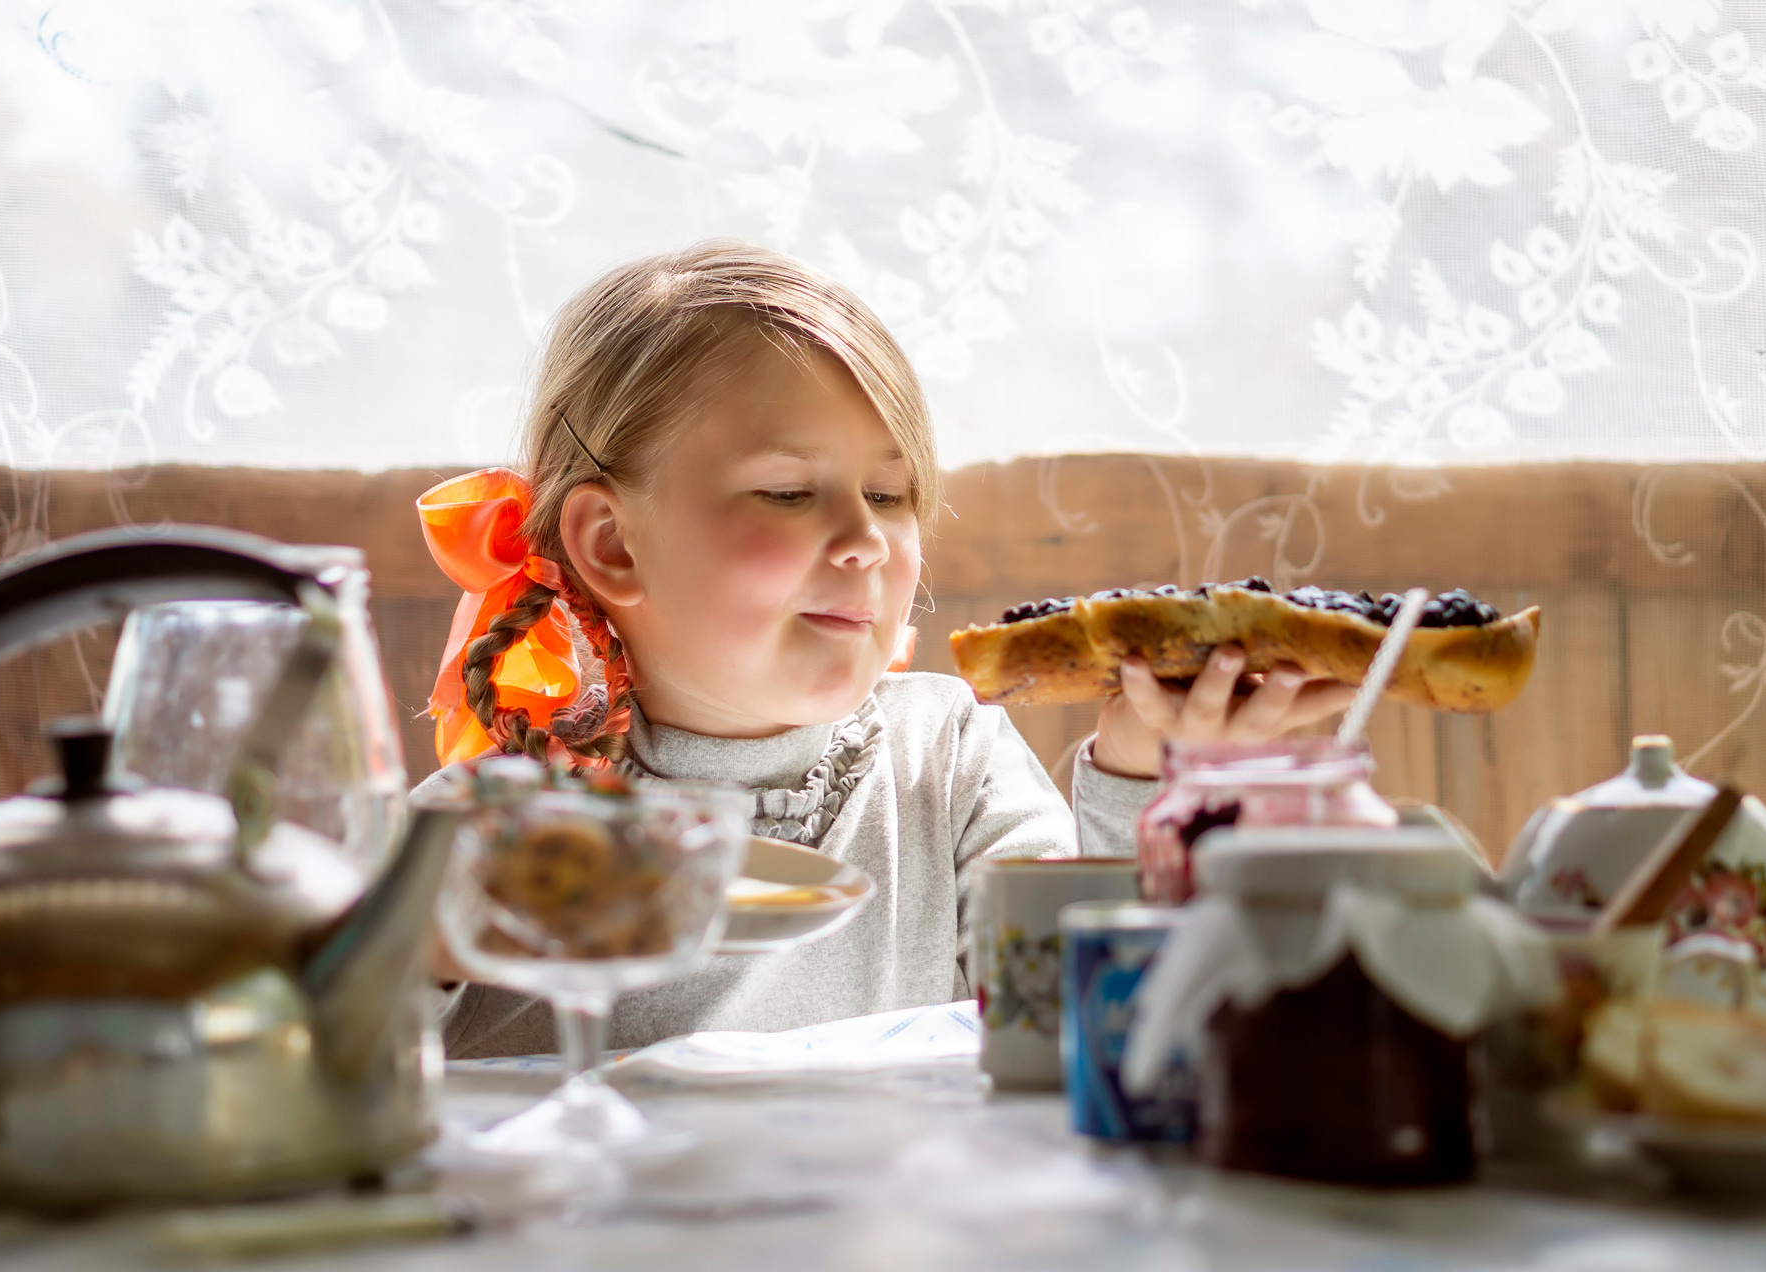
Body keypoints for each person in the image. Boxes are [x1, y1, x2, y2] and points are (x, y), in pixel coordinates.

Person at [416, 240, 1354, 1056]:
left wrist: (1150, 778)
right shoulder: (494, 821)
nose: (864, 537)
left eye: (892, 495)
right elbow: (314, 1059)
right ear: (613, 544)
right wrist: (416, 938)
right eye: (786, 492)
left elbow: (1087, 1022)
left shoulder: (947, 757)